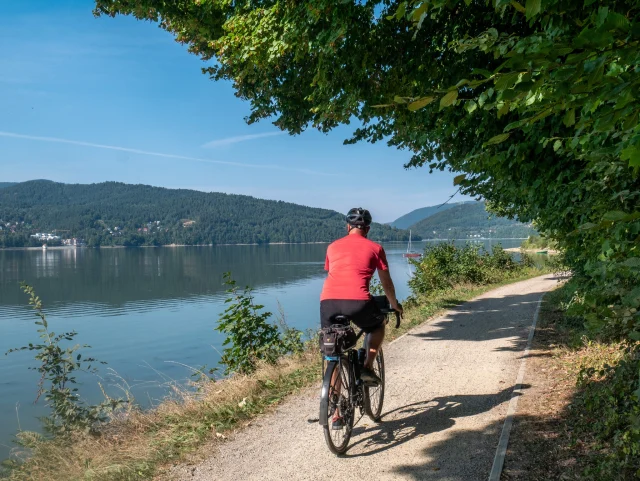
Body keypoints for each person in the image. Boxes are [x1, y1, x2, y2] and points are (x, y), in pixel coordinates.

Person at [320, 207, 403, 388]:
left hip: (328, 302)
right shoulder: (375, 248)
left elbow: (332, 272)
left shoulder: (332, 247)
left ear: (347, 227)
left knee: (333, 350)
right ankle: (367, 366)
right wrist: (395, 304)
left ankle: (335, 412)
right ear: (368, 229)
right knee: (377, 324)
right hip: (359, 302)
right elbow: (386, 283)